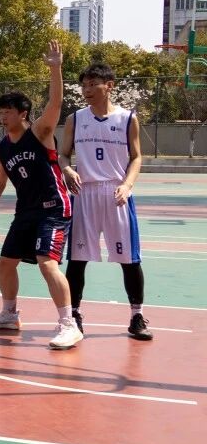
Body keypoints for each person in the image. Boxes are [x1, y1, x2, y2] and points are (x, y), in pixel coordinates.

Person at [0, 40, 82, 350]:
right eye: (0, 112)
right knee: (6, 262)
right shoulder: (3, 146)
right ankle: (9, 314)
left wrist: (55, 68)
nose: (3, 117)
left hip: (53, 209)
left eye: (8, 112)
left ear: (24, 114)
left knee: (48, 262)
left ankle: (68, 324)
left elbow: (56, 104)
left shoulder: (40, 133)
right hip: (26, 211)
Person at [58, 62, 153, 340]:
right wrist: (67, 169)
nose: (86, 90)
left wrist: (127, 184)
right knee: (77, 259)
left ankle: (137, 316)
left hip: (116, 194)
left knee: (130, 259)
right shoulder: (76, 119)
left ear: (109, 86)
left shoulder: (127, 118)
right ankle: (74, 314)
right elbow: (63, 154)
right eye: (84, 85)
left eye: (92, 84)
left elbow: (136, 157)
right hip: (84, 193)